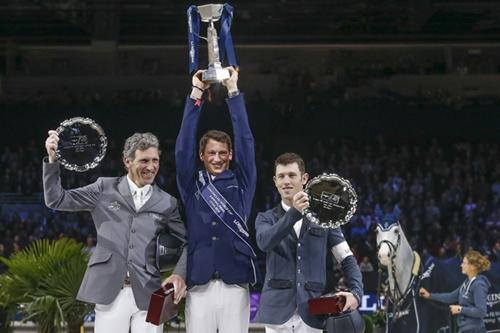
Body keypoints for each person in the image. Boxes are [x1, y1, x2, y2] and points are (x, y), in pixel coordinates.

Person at [43, 131, 187, 333]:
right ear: (127, 161)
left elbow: (187, 242)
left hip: (149, 292)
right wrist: (52, 160)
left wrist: (179, 274)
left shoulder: (167, 202)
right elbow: (56, 199)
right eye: (144, 160)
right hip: (110, 290)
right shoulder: (104, 188)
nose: (151, 167)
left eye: (155, 160)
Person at [175, 67, 257, 333]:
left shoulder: (242, 182)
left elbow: (245, 139)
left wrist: (233, 92)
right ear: (202, 156)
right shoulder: (191, 184)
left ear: (230, 154)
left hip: (235, 283)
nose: (217, 158)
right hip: (199, 283)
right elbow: (184, 145)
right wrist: (196, 93)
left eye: (223, 152)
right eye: (211, 153)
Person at [254, 152, 363, 333]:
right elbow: (264, 243)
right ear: (275, 181)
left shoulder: (325, 218)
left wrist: (356, 293)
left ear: (304, 178)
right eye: (281, 176)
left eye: (292, 175)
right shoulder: (265, 218)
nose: (286, 181)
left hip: (312, 314)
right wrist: (295, 212)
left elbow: (346, 258)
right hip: (276, 316)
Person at [419, 250, 491, 333]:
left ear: (472, 266)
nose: (461, 265)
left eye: (464, 263)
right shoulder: (466, 283)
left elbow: (481, 311)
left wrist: (460, 309)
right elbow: (450, 296)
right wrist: (430, 295)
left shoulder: (479, 285)